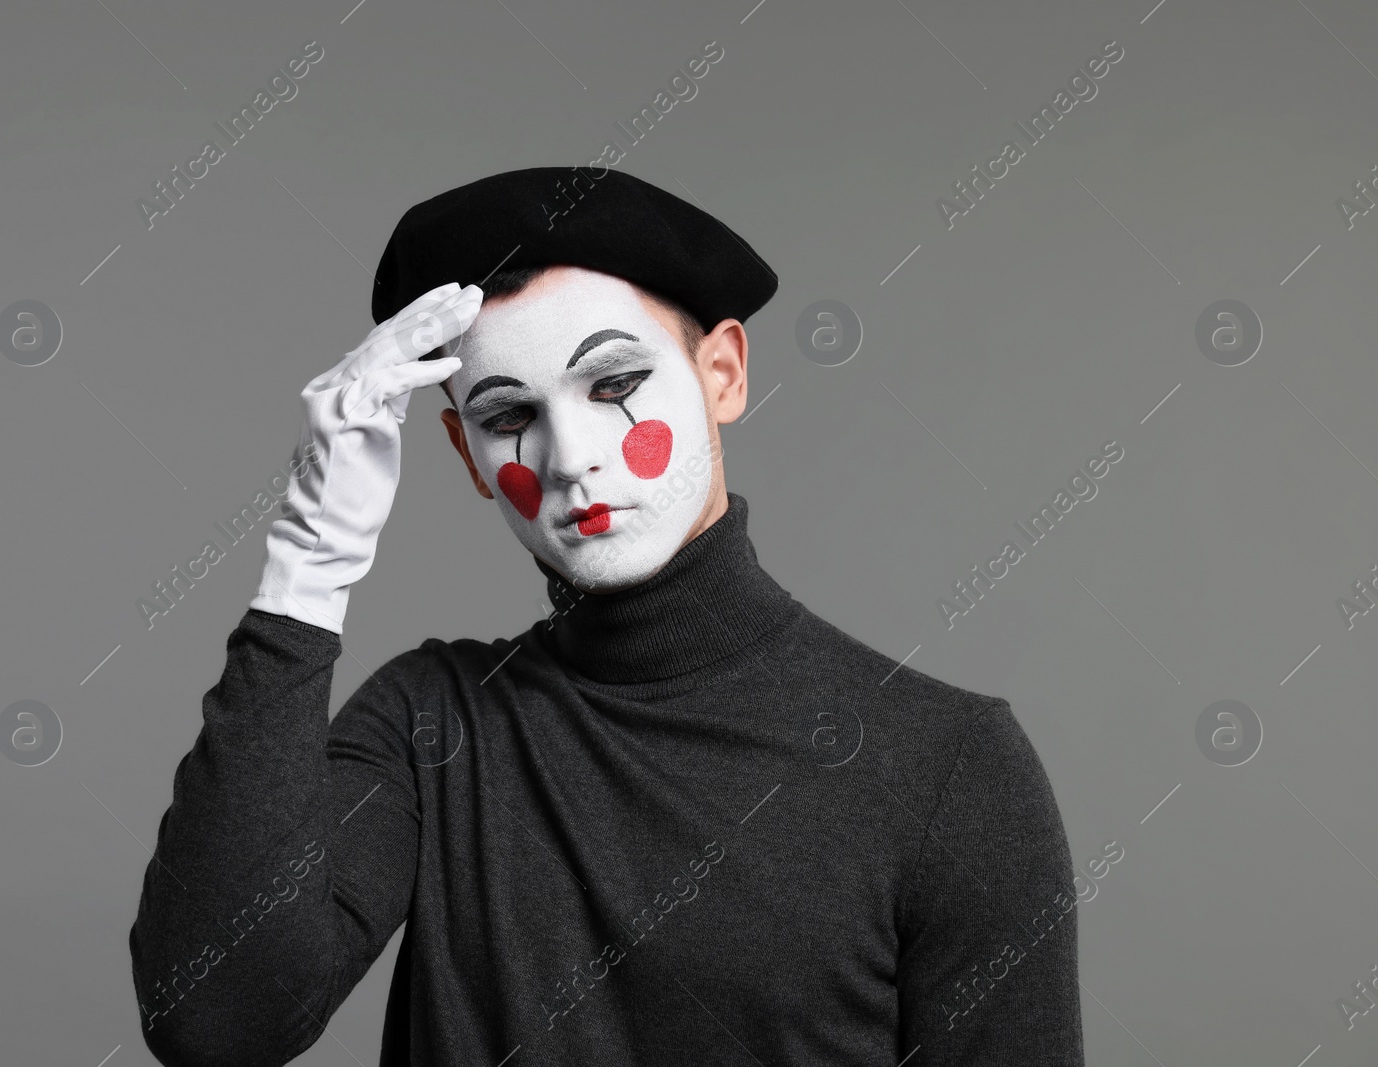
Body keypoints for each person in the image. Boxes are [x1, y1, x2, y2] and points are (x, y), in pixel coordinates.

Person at [128, 167, 1085, 1066]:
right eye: (509, 416)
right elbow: (216, 1018)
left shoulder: (949, 768)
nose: (570, 455)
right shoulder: (431, 724)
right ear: (463, 454)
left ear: (722, 374)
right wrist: (307, 566)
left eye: (615, 384)